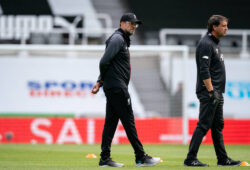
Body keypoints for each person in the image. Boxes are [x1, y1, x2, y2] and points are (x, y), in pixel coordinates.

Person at [91, 13, 161, 167]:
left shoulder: (120, 39)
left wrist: (100, 81)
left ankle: (104, 158)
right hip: (117, 87)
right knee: (129, 122)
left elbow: (108, 63)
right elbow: (104, 62)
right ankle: (141, 157)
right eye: (131, 23)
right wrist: (101, 80)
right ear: (122, 23)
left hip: (113, 87)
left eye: (135, 24)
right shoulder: (118, 39)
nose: (134, 26)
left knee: (110, 123)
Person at [184, 15, 242, 167]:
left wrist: (216, 92)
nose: (226, 28)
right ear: (214, 27)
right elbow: (204, 70)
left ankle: (222, 159)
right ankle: (190, 159)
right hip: (209, 92)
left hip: (217, 92)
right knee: (203, 125)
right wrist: (211, 91)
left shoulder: (214, 43)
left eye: (226, 25)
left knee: (217, 126)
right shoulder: (206, 43)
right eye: (223, 26)